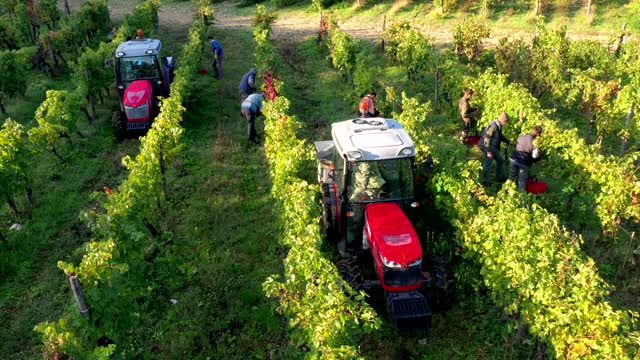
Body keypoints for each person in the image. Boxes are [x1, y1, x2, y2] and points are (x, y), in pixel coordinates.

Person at [480, 112, 512, 185]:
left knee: (500, 161)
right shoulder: (493, 126)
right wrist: (488, 151)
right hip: (488, 148)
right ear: (503, 121)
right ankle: (485, 181)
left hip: (494, 148)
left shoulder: (498, 126)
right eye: (506, 123)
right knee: (487, 165)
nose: (506, 124)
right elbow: (487, 139)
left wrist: (508, 141)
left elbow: (500, 136)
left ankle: (499, 177)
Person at [509, 125, 543, 191]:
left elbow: (517, 143)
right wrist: (539, 155)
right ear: (538, 134)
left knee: (511, 177)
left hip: (513, 159)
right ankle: (520, 197)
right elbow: (534, 156)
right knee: (522, 181)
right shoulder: (535, 142)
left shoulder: (522, 135)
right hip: (524, 162)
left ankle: (506, 192)